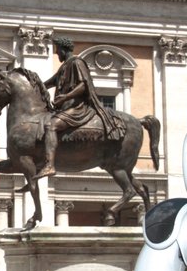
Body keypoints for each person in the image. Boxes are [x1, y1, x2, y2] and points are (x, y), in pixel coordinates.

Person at [38, 37, 124, 178]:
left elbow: (84, 85)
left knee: (51, 126)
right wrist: (34, 85)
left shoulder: (77, 63)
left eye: (57, 50)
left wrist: (66, 97)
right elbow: (49, 82)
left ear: (63, 49)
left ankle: (49, 165)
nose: (57, 53)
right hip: (64, 108)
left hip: (77, 107)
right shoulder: (65, 66)